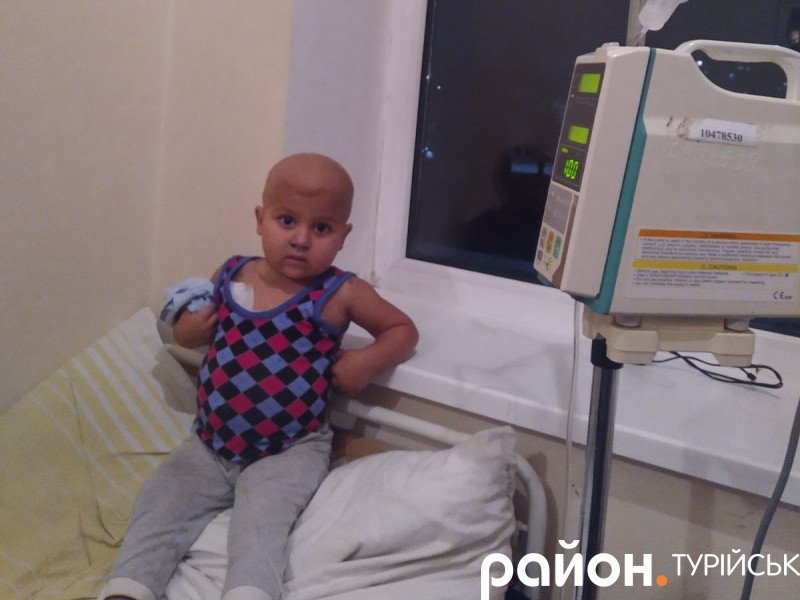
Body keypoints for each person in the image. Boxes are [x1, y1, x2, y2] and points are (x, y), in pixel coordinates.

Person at [100, 153, 419, 600]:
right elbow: (188, 331)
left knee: (260, 525)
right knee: (160, 501)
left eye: (321, 228)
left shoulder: (340, 292)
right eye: (287, 221)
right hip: (209, 443)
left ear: (343, 236)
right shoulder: (231, 273)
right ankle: (130, 586)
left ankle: (250, 591)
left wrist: (366, 361)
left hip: (288, 451)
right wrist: (188, 331)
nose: (301, 239)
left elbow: (402, 329)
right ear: (260, 219)